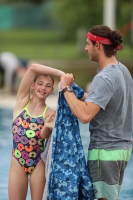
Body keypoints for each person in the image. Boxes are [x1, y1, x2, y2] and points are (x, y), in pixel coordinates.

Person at [59, 25, 133, 200]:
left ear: (97, 46)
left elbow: (85, 115)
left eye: (87, 44)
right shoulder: (123, 71)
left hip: (104, 152)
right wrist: (80, 94)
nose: (85, 48)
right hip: (122, 151)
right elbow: (105, 102)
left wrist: (65, 89)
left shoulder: (104, 77)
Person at [8, 63, 64, 200]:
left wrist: (47, 126)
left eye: (48, 86)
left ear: (52, 90)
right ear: (32, 85)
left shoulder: (49, 113)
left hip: (38, 163)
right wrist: (60, 74)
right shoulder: (21, 104)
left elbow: (43, 136)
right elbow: (32, 68)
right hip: (17, 161)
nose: (43, 88)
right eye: (40, 83)